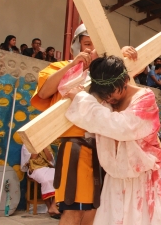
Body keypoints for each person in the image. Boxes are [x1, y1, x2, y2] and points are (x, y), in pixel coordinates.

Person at [30, 24, 137, 225]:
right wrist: (74, 66)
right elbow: (44, 93)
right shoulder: (60, 67)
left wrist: (125, 57)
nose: (91, 49)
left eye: (96, 46)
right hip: (77, 147)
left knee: (96, 212)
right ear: (77, 45)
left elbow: (125, 96)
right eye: (87, 44)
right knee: (73, 210)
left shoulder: (104, 77)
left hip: (105, 149)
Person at [64, 55, 161, 225]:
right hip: (116, 181)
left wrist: (82, 100)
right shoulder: (105, 98)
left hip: (146, 180)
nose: (108, 99)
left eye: (111, 93)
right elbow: (66, 86)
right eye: (103, 95)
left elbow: (122, 127)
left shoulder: (145, 99)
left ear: (126, 80)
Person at [20, 145, 60, 219]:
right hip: (35, 169)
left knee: (60, 177)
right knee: (46, 180)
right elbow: (34, 157)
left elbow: (50, 159)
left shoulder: (46, 143)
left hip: (46, 167)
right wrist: (37, 144)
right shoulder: (26, 144)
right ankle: (50, 207)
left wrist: (44, 146)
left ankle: (53, 206)